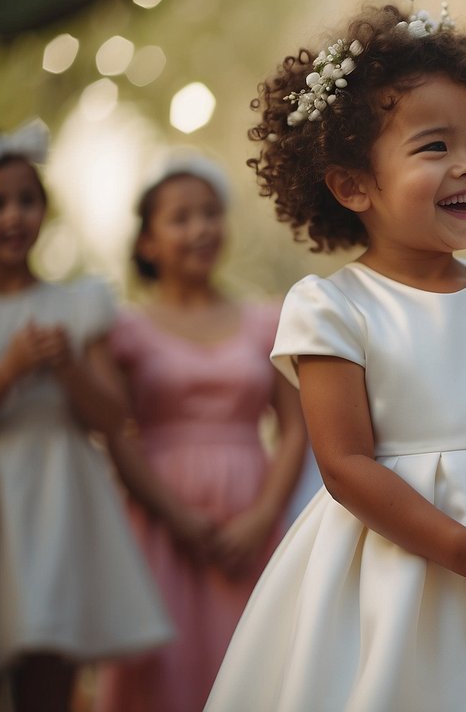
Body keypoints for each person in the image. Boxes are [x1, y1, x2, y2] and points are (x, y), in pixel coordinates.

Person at [204, 0, 466, 712]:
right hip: (399, 571)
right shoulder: (331, 308)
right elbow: (346, 466)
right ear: (354, 185)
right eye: (434, 147)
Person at [0, 120, 171, 712]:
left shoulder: (77, 306)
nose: (14, 216)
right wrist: (7, 370)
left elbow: (113, 415)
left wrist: (70, 368)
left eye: (26, 200)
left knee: (50, 667)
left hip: (58, 502)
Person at [95, 155, 308, 712]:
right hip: (160, 516)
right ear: (147, 242)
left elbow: (295, 428)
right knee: (164, 671)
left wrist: (262, 518)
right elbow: (115, 431)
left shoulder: (267, 318)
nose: (201, 228)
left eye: (211, 214)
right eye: (181, 217)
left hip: (251, 508)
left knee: (252, 657)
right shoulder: (122, 329)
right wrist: (178, 516)